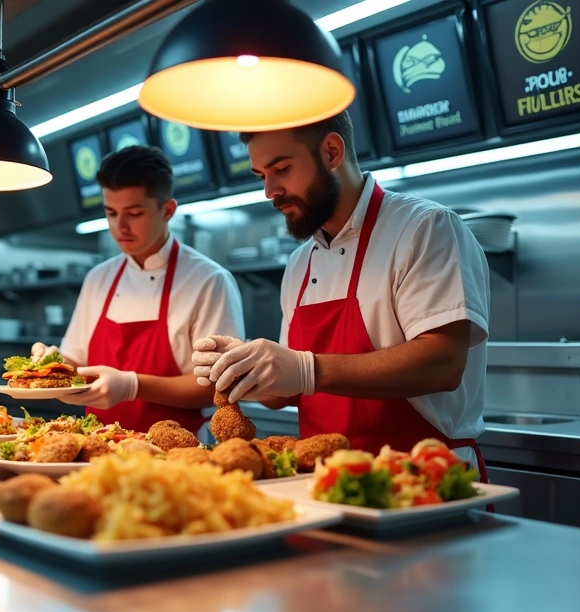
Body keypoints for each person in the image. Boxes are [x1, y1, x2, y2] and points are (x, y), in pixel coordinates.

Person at [192, 111, 491, 471]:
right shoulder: (300, 262)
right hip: (320, 482)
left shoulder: (425, 228)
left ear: (332, 152)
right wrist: (246, 368)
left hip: (423, 477)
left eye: (282, 169)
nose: (270, 191)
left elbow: (444, 363)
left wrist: (307, 368)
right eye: (261, 176)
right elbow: (289, 388)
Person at [38, 145, 245, 434]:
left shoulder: (208, 280)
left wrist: (133, 386)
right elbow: (75, 361)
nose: (120, 226)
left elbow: (217, 386)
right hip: (96, 445)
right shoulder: (98, 279)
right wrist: (49, 364)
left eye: (134, 213)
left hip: (176, 449)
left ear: (168, 210)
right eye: (111, 213)